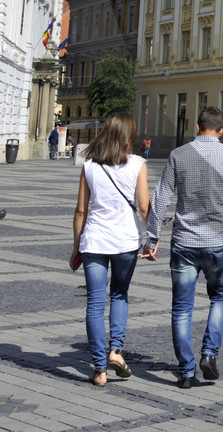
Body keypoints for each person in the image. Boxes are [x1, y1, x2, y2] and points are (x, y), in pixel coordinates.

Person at [146, 105, 223, 388]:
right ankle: (209, 353)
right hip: (218, 242)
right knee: (220, 298)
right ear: (222, 129)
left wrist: (152, 238)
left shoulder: (178, 155)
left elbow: (160, 198)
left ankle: (186, 371)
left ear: (197, 127)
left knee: (181, 309)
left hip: (184, 244)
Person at [71, 113, 150, 386]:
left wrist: (76, 247)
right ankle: (116, 351)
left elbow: (81, 210)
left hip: (94, 241)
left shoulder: (89, 165)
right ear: (129, 136)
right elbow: (144, 207)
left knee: (94, 304)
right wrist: (152, 240)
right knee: (119, 294)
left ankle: (99, 369)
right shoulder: (138, 164)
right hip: (125, 242)